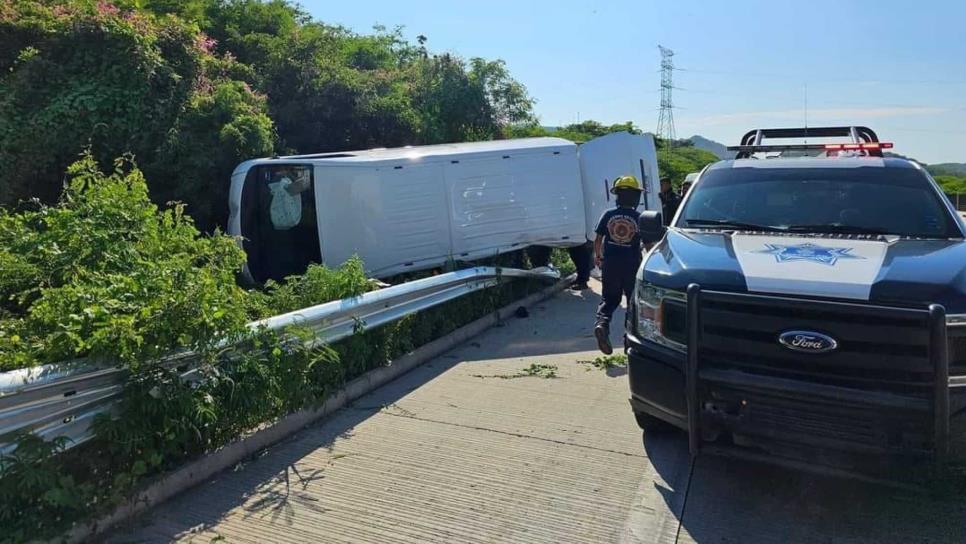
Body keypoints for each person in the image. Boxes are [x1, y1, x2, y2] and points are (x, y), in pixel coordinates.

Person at [593, 175, 644, 355]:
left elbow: (598, 238)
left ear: (617, 196)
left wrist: (598, 256)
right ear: (635, 196)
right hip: (631, 265)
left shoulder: (608, 215)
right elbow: (649, 244)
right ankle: (628, 341)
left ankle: (602, 324)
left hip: (611, 264)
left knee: (609, 299)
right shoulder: (639, 217)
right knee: (632, 303)